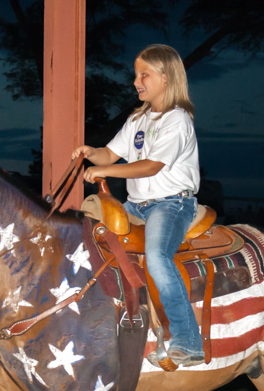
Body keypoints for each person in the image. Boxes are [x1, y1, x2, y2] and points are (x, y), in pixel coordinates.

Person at [73, 44, 204, 367]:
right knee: (87, 241)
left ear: (166, 77)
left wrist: (105, 171)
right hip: (136, 206)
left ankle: (188, 339)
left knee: (158, 258)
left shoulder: (177, 120)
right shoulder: (138, 119)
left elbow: (151, 166)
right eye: (136, 75)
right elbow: (109, 154)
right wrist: (92, 153)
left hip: (171, 205)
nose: (136, 81)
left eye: (144, 74)